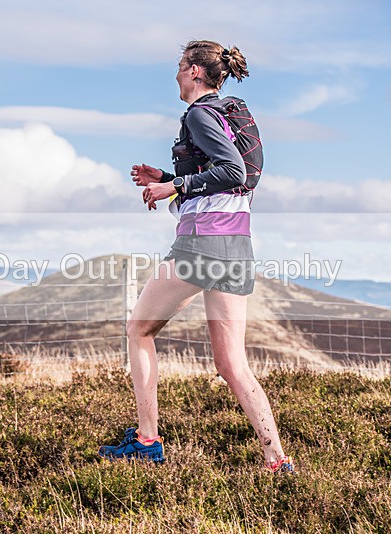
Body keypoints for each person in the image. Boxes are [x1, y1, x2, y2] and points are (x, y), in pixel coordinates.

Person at [97, 41, 293, 474]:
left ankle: (147, 440)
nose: (176, 73)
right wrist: (168, 176)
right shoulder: (228, 112)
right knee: (231, 364)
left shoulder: (201, 114)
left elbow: (232, 173)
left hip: (201, 243)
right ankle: (277, 461)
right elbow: (225, 173)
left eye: (180, 66)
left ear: (195, 72)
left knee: (139, 330)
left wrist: (175, 187)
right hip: (236, 245)